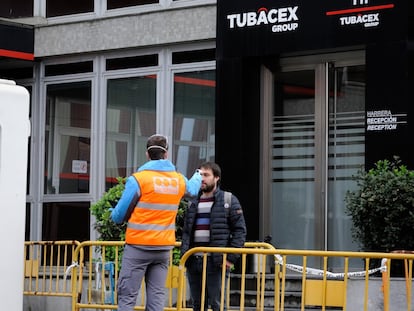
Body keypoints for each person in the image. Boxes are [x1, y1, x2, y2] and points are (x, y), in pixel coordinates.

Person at [110, 134, 202, 311]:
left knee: (127, 296)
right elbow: (192, 190)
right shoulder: (178, 179)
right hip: (162, 248)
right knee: (157, 298)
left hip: (138, 246)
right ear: (166, 154)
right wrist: (198, 175)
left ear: (147, 154)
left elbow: (118, 216)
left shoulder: (139, 179)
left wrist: (112, 213)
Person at [180, 161, 247, 311]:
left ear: (216, 178)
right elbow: (186, 231)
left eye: (206, 175)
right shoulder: (192, 202)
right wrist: (185, 255)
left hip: (216, 261)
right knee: (197, 304)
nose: (202, 178)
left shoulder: (229, 200)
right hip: (194, 260)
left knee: (217, 304)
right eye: (200, 174)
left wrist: (230, 259)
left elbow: (240, 231)